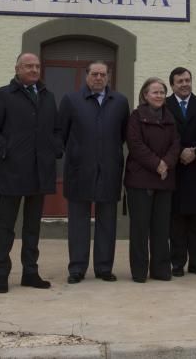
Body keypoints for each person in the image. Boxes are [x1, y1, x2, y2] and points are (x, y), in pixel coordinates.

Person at [0, 52, 60, 293]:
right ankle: (1, 274)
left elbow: (56, 129)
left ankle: (30, 272)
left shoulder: (48, 97)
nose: (34, 70)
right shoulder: (3, 95)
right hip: (13, 171)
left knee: (32, 227)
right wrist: (6, 151)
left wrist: (55, 150)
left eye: (37, 66)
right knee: (6, 226)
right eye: (29, 66)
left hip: (40, 171)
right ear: (17, 69)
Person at [59, 61, 130, 283]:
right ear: (86, 76)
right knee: (78, 222)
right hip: (79, 170)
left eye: (103, 74)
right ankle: (77, 268)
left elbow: (123, 135)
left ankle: (103, 268)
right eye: (94, 74)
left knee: (107, 221)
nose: (98, 78)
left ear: (109, 77)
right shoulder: (71, 101)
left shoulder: (119, 102)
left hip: (109, 169)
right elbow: (61, 134)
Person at [125, 77, 181, 282]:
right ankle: (139, 272)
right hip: (140, 180)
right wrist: (157, 164)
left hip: (165, 179)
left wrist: (166, 163)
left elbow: (176, 144)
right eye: (155, 92)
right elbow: (135, 145)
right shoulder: (136, 116)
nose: (159, 96)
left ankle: (161, 270)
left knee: (161, 228)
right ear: (145, 95)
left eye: (162, 92)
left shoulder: (170, 117)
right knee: (140, 229)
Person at [165, 67, 196, 277]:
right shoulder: (164, 106)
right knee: (176, 221)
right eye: (179, 81)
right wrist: (179, 153)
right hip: (175, 170)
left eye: (187, 80)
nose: (184, 84)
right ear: (172, 85)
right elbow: (163, 136)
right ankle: (177, 263)